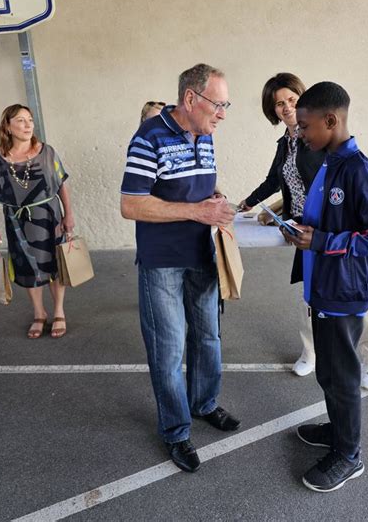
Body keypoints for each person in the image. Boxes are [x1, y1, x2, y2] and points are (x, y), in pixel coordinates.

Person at [120, 63, 240, 473]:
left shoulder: (204, 135)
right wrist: (196, 210)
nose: (223, 113)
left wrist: (218, 201)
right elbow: (130, 204)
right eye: (218, 104)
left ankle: (205, 403)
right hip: (162, 264)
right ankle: (175, 430)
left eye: (226, 104)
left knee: (208, 338)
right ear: (191, 98)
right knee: (168, 350)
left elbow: (197, 186)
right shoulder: (148, 137)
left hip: (201, 256)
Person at [238, 73, 368, 390]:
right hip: (302, 227)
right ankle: (312, 352)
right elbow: (273, 180)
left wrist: (329, 233)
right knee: (311, 292)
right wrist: (249, 203)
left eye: (292, 100)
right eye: (279, 103)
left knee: (359, 294)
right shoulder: (287, 144)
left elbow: (344, 189)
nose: (286, 107)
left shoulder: (321, 140)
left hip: (330, 229)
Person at [282, 82, 368, 492]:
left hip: (344, 293)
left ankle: (350, 456)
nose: (300, 134)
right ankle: (339, 430)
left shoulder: (357, 169)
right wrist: (304, 231)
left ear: (332, 121)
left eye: (305, 126)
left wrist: (323, 241)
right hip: (324, 287)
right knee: (330, 372)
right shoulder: (328, 162)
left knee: (342, 375)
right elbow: (329, 222)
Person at [0, 104, 74, 339]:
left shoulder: (47, 152)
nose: (27, 125)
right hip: (17, 222)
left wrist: (68, 214)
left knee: (56, 266)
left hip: (50, 217)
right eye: (20, 120)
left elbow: (62, 183)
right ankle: (39, 313)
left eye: (30, 120)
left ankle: (59, 311)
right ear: (8, 127)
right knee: (29, 267)